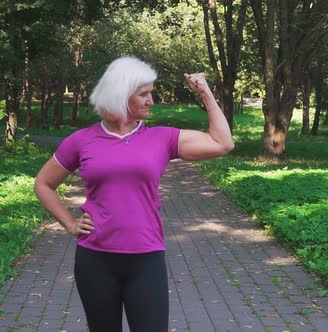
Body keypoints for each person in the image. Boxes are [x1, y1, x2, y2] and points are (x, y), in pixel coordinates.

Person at [33, 56, 234, 332]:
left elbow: (222, 143)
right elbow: (43, 184)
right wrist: (69, 223)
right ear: (120, 95)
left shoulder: (161, 138)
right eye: (144, 94)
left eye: (151, 92)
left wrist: (206, 94)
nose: (151, 100)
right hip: (95, 259)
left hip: (146, 258)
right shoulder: (82, 140)